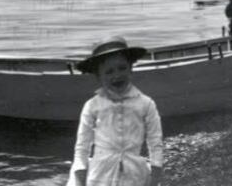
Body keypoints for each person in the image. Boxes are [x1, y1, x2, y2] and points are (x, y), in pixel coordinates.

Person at [69, 37, 163, 186]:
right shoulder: (92, 106)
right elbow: (82, 146)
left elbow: (155, 142)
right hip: (100, 175)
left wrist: (156, 174)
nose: (117, 75)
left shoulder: (146, 104)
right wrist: (80, 178)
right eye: (109, 72)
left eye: (122, 68)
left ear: (131, 68)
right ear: (98, 76)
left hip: (134, 175)